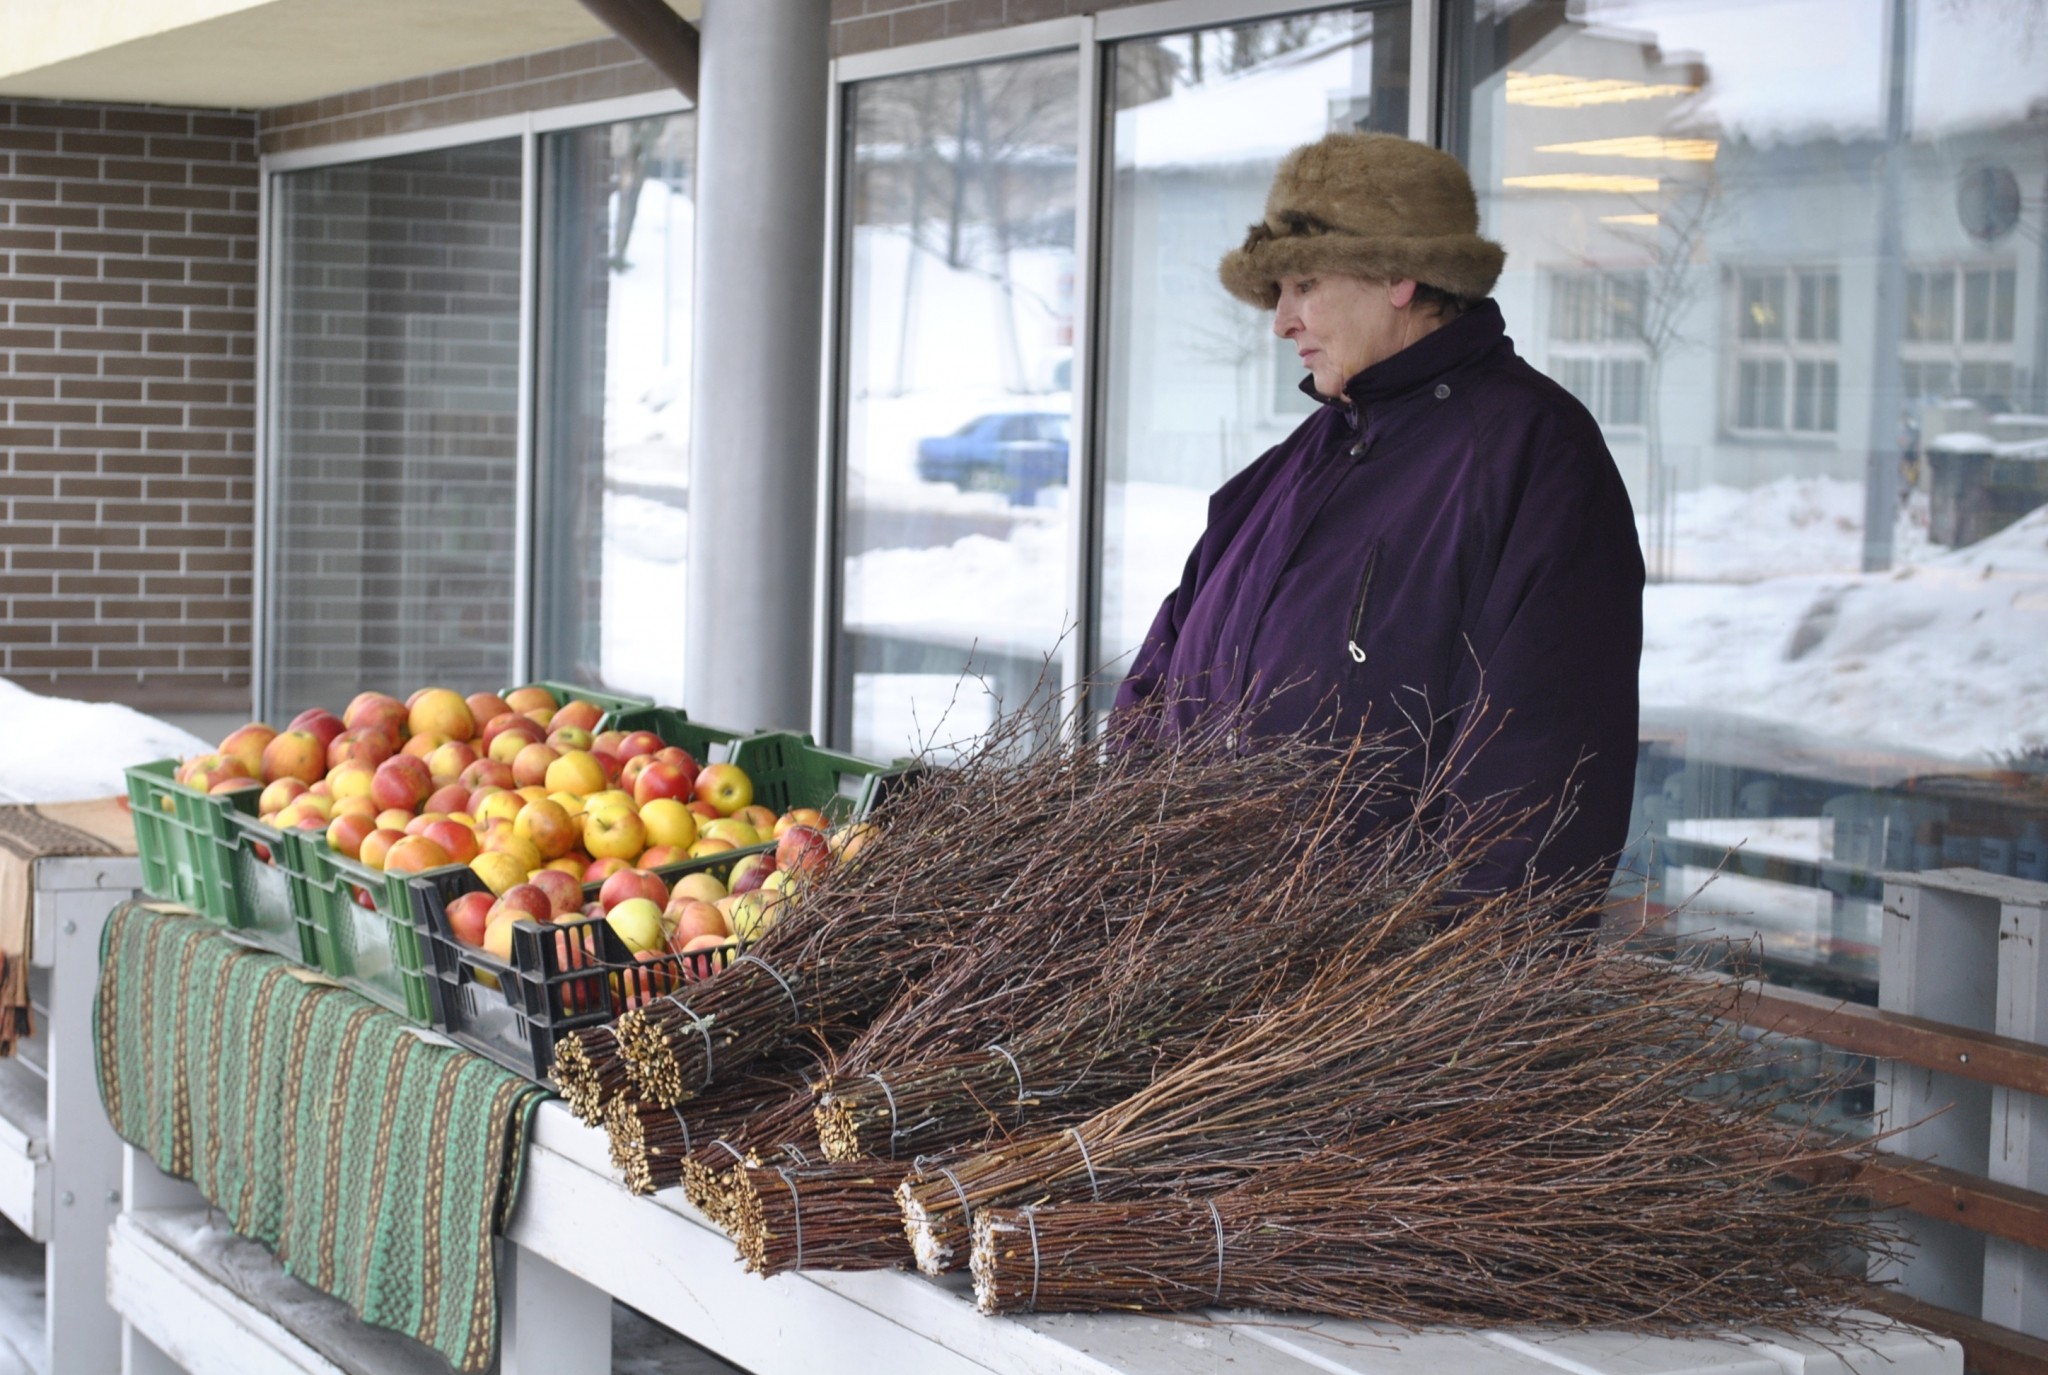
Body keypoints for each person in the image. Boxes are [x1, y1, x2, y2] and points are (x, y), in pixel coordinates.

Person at [1113, 132, 1644, 897]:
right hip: (1201, 970)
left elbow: (1537, 781)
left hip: (1360, 989)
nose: (1281, 321)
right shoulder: (1292, 466)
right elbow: (1159, 683)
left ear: (1398, 273)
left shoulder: (1534, 458)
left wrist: (1430, 993)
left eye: (1302, 284)